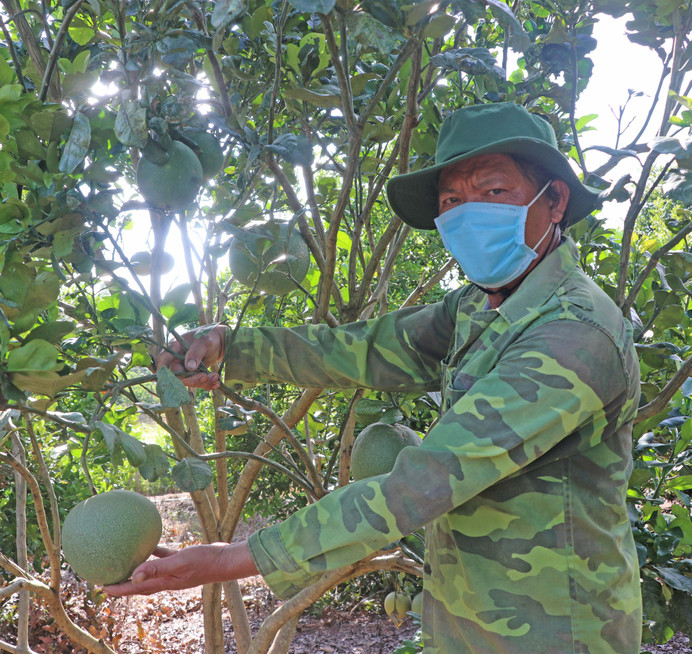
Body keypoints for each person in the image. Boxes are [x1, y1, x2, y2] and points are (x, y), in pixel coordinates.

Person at [106, 103, 643, 653]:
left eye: (494, 190)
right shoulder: (477, 307)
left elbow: (430, 478)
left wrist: (234, 559)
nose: (469, 213)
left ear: (554, 200)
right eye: (452, 201)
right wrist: (233, 346)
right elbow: (363, 349)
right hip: (466, 623)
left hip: (560, 630)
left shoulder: (576, 333)